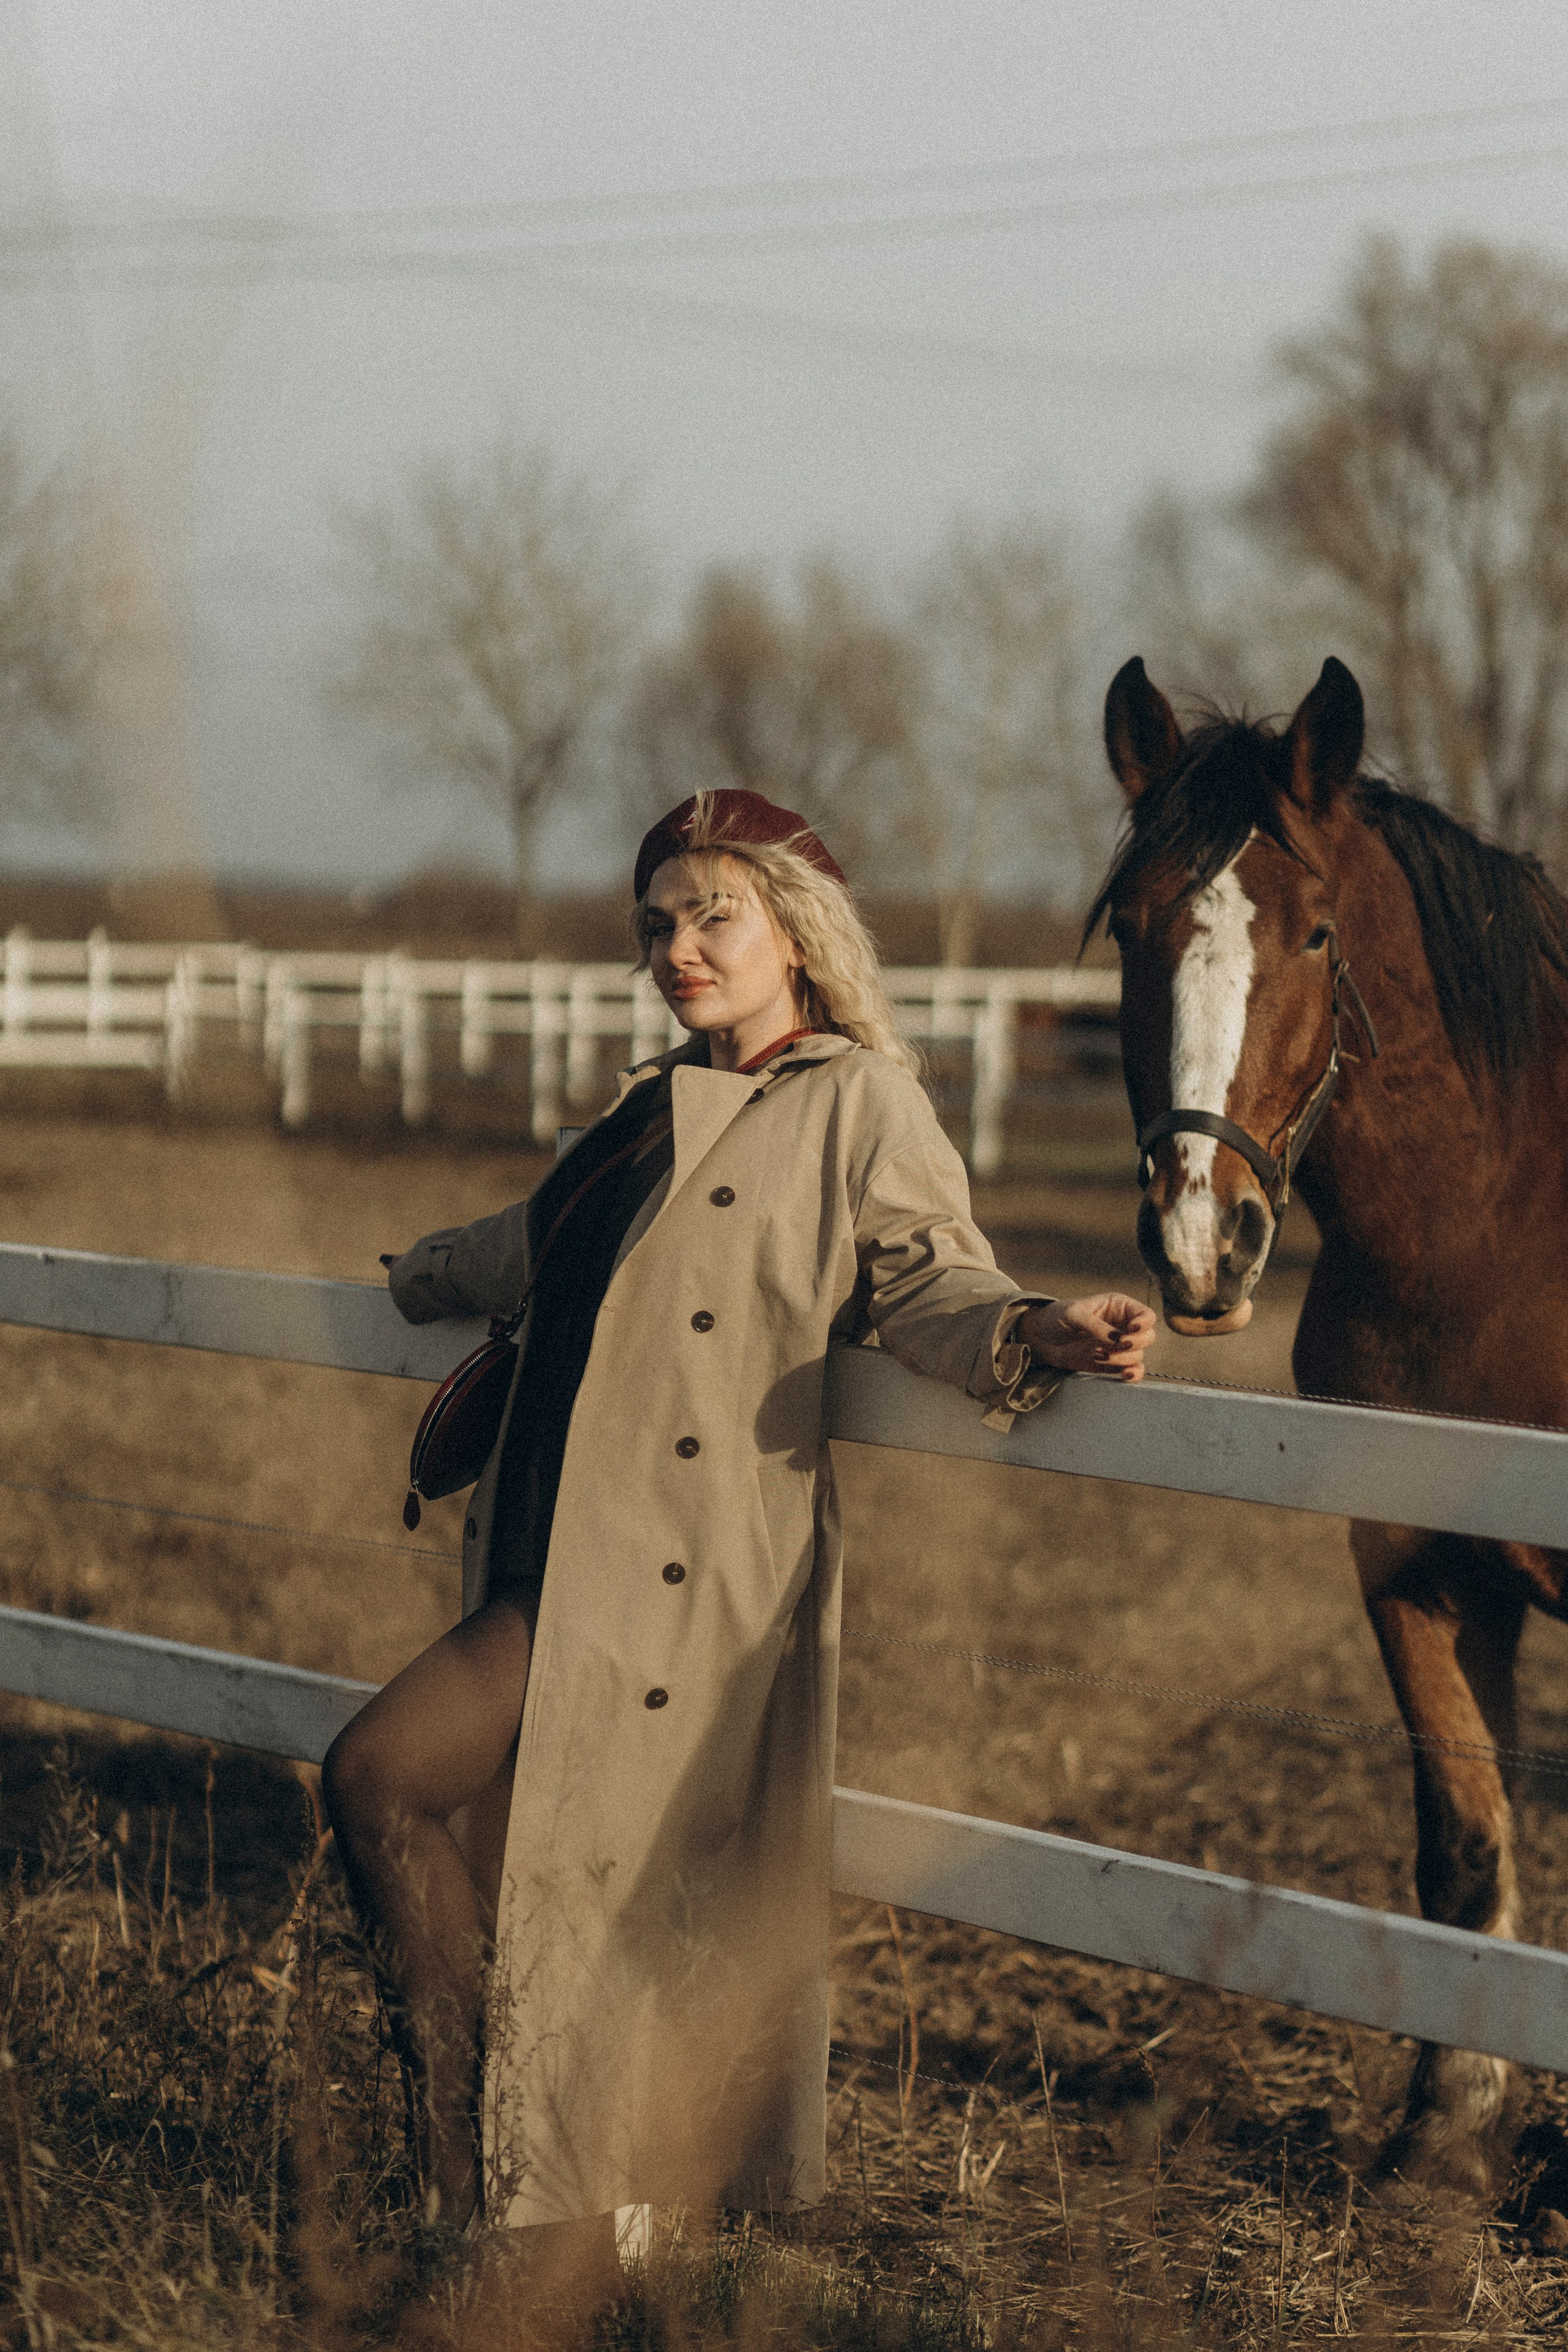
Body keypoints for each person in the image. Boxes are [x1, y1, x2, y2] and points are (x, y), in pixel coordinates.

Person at [322, 788, 1155, 2272]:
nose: (680, 948)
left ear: (795, 932)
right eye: (659, 924)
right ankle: (493, 2192)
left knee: (387, 1774)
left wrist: (1040, 1325)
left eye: (715, 916)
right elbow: (533, 1243)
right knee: (474, 1840)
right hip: (540, 1532)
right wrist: (414, 1278)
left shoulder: (857, 1101)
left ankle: (506, 2191)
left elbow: (924, 1282)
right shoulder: (648, 1109)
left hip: (666, 1573)